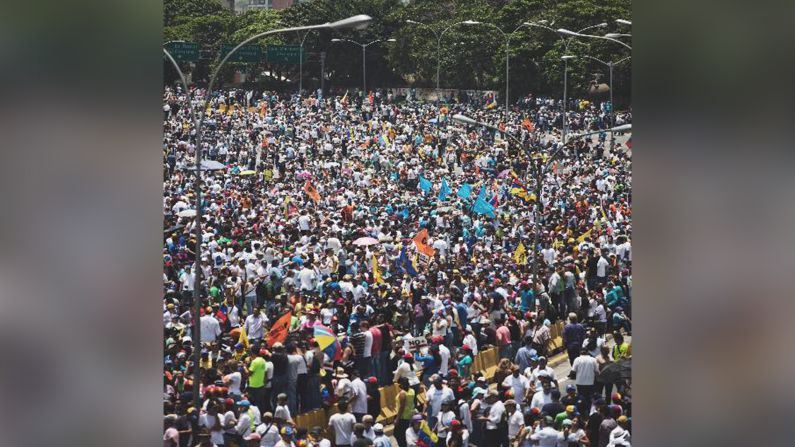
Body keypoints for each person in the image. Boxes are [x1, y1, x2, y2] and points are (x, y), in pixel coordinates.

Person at [570, 348, 600, 417]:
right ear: (587, 352)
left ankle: (583, 414)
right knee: (590, 399)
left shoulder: (577, 359)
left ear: (580, 352)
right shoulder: (593, 359)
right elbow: (597, 372)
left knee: (581, 399)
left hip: (580, 384)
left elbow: (573, 371)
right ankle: (590, 413)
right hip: (590, 383)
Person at [395, 378, 416, 447]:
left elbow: (402, 407)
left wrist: (397, 419)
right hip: (410, 415)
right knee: (405, 433)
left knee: (398, 434)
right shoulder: (412, 391)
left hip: (402, 417)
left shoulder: (402, 393)